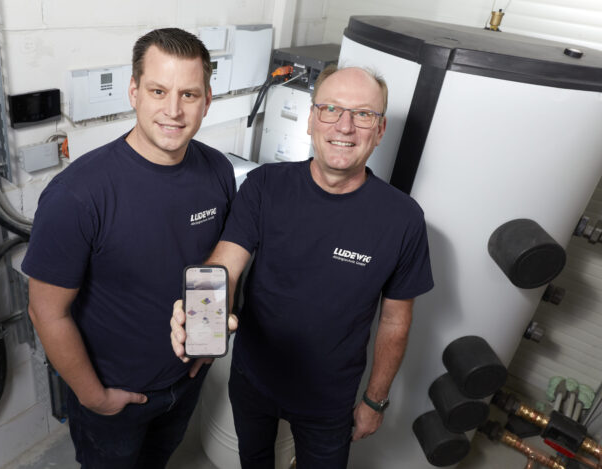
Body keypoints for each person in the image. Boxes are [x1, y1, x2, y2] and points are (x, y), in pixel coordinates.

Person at [171, 64, 433, 468]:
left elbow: (395, 321)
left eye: (363, 114)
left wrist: (374, 400)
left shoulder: (403, 219)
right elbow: (226, 263)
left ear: (380, 130)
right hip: (253, 380)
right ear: (311, 120)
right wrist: (203, 327)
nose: (344, 126)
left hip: (329, 400)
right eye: (331, 109)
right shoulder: (265, 185)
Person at [23, 28, 235, 469]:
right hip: (114, 398)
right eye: (158, 91)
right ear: (134, 92)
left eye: (189, 94)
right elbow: (46, 312)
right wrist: (94, 397)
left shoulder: (217, 170)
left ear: (207, 100)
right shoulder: (78, 195)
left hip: (186, 380)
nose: (173, 110)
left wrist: (206, 344)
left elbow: (216, 265)